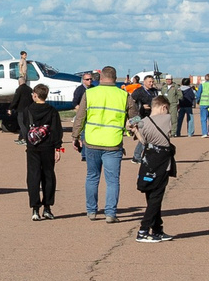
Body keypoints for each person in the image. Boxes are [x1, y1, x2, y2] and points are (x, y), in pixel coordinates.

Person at [73, 64, 127, 220]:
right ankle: (110, 213)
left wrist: (75, 137)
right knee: (112, 181)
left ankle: (91, 211)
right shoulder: (123, 95)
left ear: (101, 78)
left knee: (92, 176)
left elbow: (80, 117)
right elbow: (135, 117)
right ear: (115, 79)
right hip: (113, 142)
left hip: (92, 141)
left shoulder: (90, 94)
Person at [129, 94, 177, 241]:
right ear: (163, 107)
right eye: (167, 109)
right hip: (161, 162)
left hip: (148, 160)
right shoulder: (166, 118)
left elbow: (130, 123)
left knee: (151, 196)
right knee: (156, 196)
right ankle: (143, 230)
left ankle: (157, 229)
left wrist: (136, 128)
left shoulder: (144, 122)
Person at [19, 82, 63, 219]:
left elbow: (24, 127)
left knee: (33, 177)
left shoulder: (27, 110)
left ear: (35, 96)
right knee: (48, 176)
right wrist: (58, 148)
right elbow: (56, 130)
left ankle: (35, 209)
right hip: (48, 147)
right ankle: (47, 207)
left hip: (33, 148)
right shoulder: (52, 111)